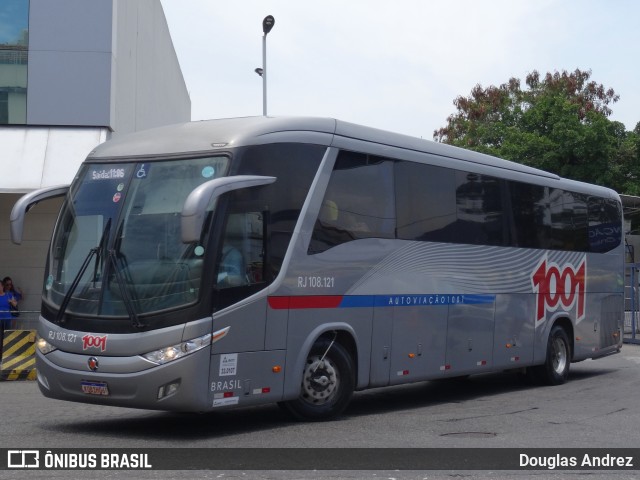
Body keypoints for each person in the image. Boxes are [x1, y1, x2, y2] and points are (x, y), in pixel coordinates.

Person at [0, 279, 18, 359]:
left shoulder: (9, 295)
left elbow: (15, 304)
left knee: (7, 337)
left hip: (7, 318)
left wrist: (11, 301)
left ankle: (7, 355)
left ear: (2, 286)